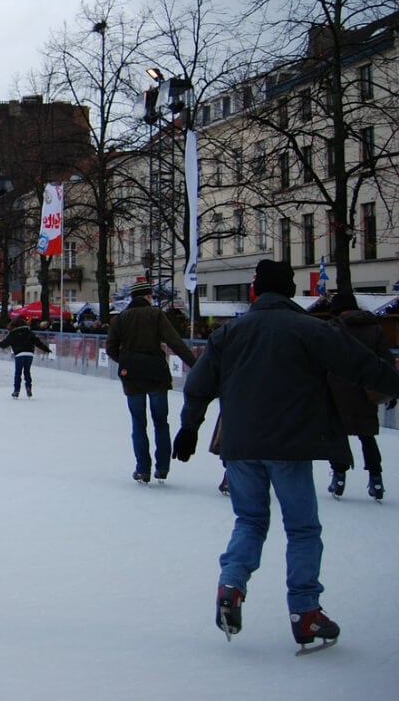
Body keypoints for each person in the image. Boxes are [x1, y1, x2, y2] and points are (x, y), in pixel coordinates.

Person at [173, 260, 399, 650]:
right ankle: (305, 611)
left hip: (241, 445)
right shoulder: (312, 329)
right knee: (302, 528)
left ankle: (231, 586)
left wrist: (190, 428)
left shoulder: (231, 332)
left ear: (255, 293)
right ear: (290, 292)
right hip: (290, 445)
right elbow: (361, 366)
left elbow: (199, 384)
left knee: (250, 520)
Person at [106, 279, 196, 484]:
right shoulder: (155, 315)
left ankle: (143, 469)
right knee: (161, 422)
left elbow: (111, 348)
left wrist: (126, 359)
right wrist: (196, 365)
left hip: (133, 375)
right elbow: (175, 341)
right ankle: (162, 468)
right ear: (148, 296)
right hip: (156, 373)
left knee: (138, 423)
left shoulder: (120, 319)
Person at [324, 291, 391, 501]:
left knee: (338, 435)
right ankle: (376, 478)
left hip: (337, 390)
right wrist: (390, 388)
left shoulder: (333, 329)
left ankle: (339, 477)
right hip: (366, 390)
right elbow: (386, 360)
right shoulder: (374, 329)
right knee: (367, 436)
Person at [0, 316, 51, 397]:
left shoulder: (13, 333)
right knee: (27, 372)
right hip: (29, 354)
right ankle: (28, 388)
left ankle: (16, 391)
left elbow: (4, 344)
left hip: (19, 354)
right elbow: (38, 343)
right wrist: (47, 350)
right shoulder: (29, 332)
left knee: (18, 373)